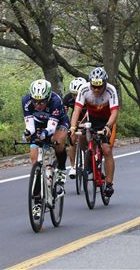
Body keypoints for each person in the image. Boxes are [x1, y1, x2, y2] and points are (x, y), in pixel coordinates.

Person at [22, 79, 69, 218]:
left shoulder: (56, 100)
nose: (38, 105)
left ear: (48, 97)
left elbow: (51, 127)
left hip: (58, 123)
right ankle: (37, 203)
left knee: (57, 141)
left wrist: (46, 133)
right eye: (35, 101)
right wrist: (28, 133)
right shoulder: (26, 101)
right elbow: (30, 126)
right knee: (35, 161)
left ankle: (61, 169)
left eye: (42, 101)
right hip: (38, 125)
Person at [70, 67, 119, 197]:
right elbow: (76, 110)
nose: (96, 90)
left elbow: (114, 112)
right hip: (92, 119)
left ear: (105, 84)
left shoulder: (111, 90)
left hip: (107, 121)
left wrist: (108, 126)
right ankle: (90, 158)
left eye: (99, 87)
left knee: (106, 149)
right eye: (94, 87)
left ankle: (108, 183)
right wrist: (73, 128)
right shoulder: (84, 89)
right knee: (81, 137)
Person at [63, 77, 87, 179]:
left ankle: (89, 156)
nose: (75, 97)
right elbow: (63, 114)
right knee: (72, 140)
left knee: (84, 137)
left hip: (87, 117)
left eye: (77, 94)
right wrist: (69, 126)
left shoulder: (89, 96)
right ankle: (73, 167)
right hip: (75, 116)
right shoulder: (67, 98)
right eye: (73, 94)